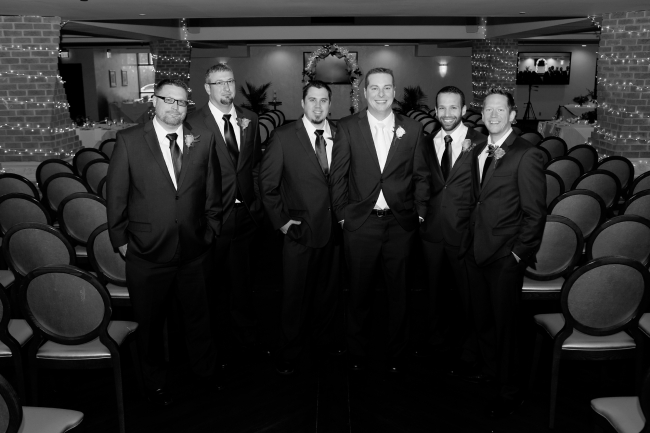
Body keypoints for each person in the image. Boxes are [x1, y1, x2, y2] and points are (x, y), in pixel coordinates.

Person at [106, 78, 223, 406]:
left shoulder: (203, 139)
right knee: (151, 324)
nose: (175, 107)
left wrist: (210, 230)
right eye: (168, 100)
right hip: (146, 252)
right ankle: (154, 381)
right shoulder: (129, 140)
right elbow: (116, 196)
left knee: (199, 318)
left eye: (181, 102)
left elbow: (213, 191)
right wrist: (122, 241)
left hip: (194, 249)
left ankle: (204, 372)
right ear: (154, 102)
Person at [329, 67, 430, 373]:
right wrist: (343, 216)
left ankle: (397, 351)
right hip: (361, 225)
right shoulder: (347, 127)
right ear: (364, 92)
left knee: (400, 293)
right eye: (374, 88)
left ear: (395, 91)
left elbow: (421, 175)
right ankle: (357, 350)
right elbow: (338, 176)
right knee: (358, 292)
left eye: (387, 88)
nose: (381, 94)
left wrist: (420, 212)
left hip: (400, 225)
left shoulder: (412, 128)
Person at [459, 88, 546, 417]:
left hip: (504, 256)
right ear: (482, 115)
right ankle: (490, 369)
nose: (493, 115)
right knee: (481, 318)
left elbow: (535, 214)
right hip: (476, 249)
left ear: (512, 115)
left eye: (500, 110)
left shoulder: (526, 154)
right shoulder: (479, 148)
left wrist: (517, 254)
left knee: (506, 326)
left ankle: (511, 390)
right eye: (488, 110)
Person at [259, 80, 344, 375]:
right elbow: (267, 185)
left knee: (328, 294)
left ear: (330, 104)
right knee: (295, 296)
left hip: (334, 231)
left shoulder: (341, 134)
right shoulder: (283, 136)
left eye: (323, 100)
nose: (318, 106)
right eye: (312, 100)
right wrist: (282, 222)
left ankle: (323, 343)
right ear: (302, 103)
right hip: (299, 230)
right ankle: (290, 350)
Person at [187, 63, 264, 365]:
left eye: (229, 81)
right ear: (207, 88)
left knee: (242, 281)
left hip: (245, 215)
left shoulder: (250, 119)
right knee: (209, 284)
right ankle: (212, 341)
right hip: (212, 217)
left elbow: (254, 164)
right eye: (219, 83)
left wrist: (255, 200)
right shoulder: (193, 122)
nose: (226, 88)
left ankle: (245, 336)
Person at [415, 86, 487, 358]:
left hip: (465, 231)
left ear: (464, 110)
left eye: (453, 107)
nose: (447, 113)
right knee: (432, 291)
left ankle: (469, 346)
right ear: (435, 111)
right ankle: (434, 341)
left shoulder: (481, 143)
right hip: (431, 230)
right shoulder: (425, 143)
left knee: (467, 294)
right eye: (442, 107)